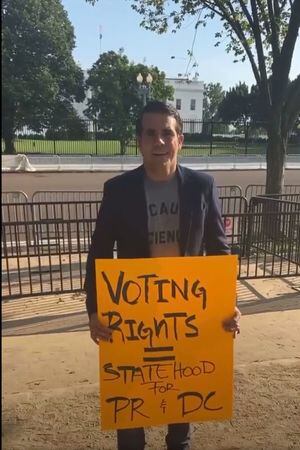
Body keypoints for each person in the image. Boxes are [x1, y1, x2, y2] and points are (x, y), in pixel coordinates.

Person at [85, 100, 241, 450]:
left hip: (187, 317)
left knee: (181, 411)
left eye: (167, 133)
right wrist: (94, 310)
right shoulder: (118, 190)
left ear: (179, 140)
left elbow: (219, 250)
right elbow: (98, 253)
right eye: (150, 133)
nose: (159, 141)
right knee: (130, 418)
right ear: (139, 140)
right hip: (133, 317)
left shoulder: (202, 186)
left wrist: (227, 305)